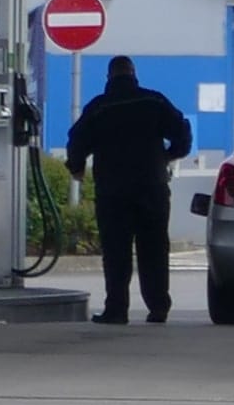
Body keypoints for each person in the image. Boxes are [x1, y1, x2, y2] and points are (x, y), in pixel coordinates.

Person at [65, 51, 194, 325]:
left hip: (113, 191)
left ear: (109, 77)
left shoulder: (100, 107)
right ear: (134, 74)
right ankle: (158, 307)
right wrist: (170, 155)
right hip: (152, 187)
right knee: (155, 248)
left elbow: (76, 140)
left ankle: (116, 309)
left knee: (116, 251)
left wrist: (76, 168)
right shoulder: (154, 100)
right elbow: (182, 130)